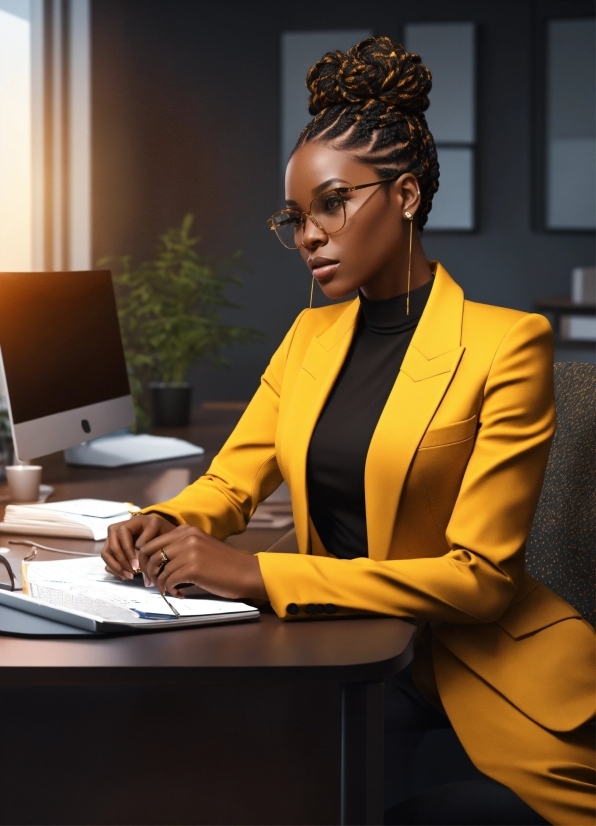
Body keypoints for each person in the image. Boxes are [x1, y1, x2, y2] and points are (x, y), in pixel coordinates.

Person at [102, 37, 595, 826]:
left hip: (496, 683)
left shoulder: (509, 343)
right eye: (297, 218)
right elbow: (231, 482)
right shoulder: (307, 340)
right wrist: (166, 521)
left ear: (404, 196)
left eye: (333, 204)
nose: (310, 236)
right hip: (351, 661)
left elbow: (478, 578)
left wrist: (258, 574)